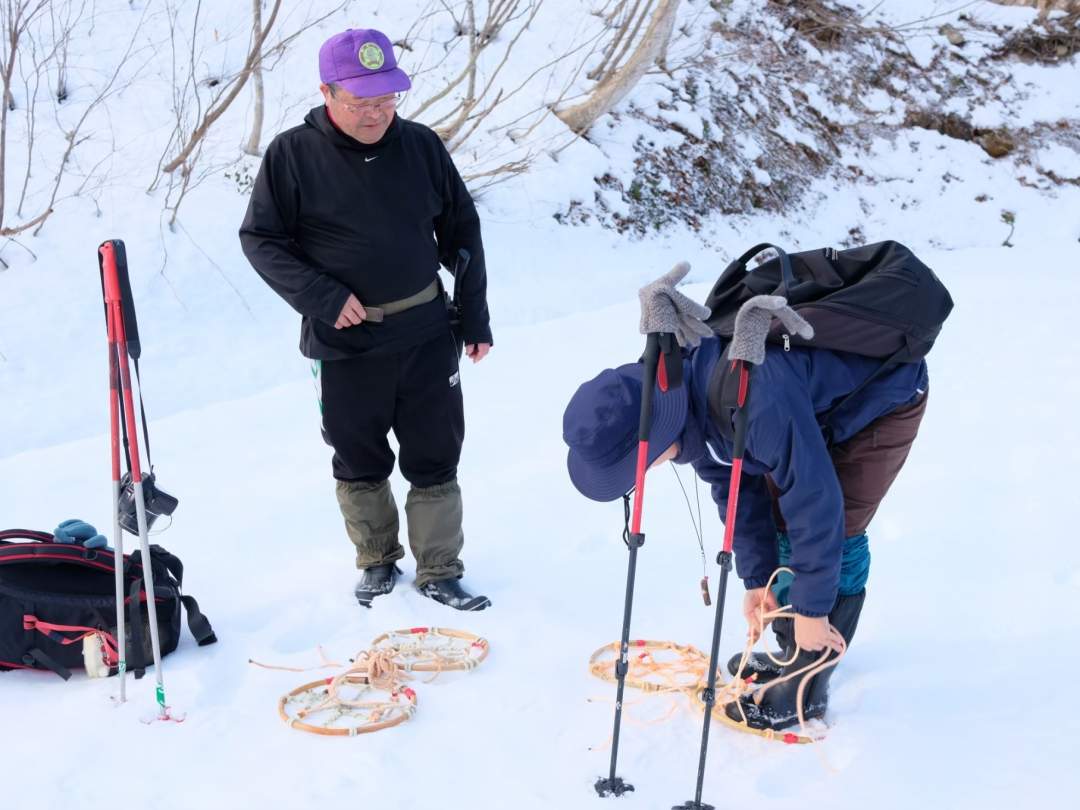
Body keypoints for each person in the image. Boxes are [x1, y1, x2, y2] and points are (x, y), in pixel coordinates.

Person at [239, 28, 493, 612]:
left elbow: (462, 233)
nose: (377, 113)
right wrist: (323, 297)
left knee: (435, 451)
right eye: (362, 102)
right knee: (357, 453)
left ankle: (438, 568)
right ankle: (377, 559)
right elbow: (261, 239)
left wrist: (474, 317)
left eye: (387, 100)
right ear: (327, 93)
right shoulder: (292, 155)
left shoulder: (422, 146)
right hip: (345, 341)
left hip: (427, 330)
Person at [562, 330, 927, 730]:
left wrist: (812, 609)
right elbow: (733, 486)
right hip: (806, 406)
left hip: (881, 398)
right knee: (784, 516)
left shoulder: (752, 404)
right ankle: (794, 649)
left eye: (637, 465)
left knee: (839, 531)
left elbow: (816, 503)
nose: (645, 473)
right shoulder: (688, 401)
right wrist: (757, 577)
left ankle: (808, 682)